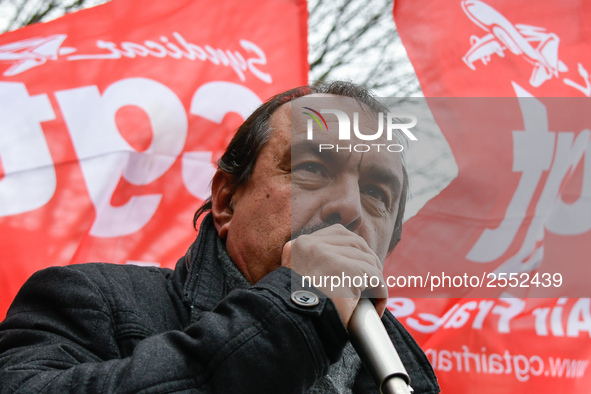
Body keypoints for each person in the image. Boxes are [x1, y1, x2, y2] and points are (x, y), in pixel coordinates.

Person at [0, 81, 439, 393]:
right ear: (227, 201)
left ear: (390, 244)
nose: (349, 207)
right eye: (311, 168)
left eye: (377, 193)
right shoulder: (89, 298)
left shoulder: (409, 376)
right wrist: (295, 309)